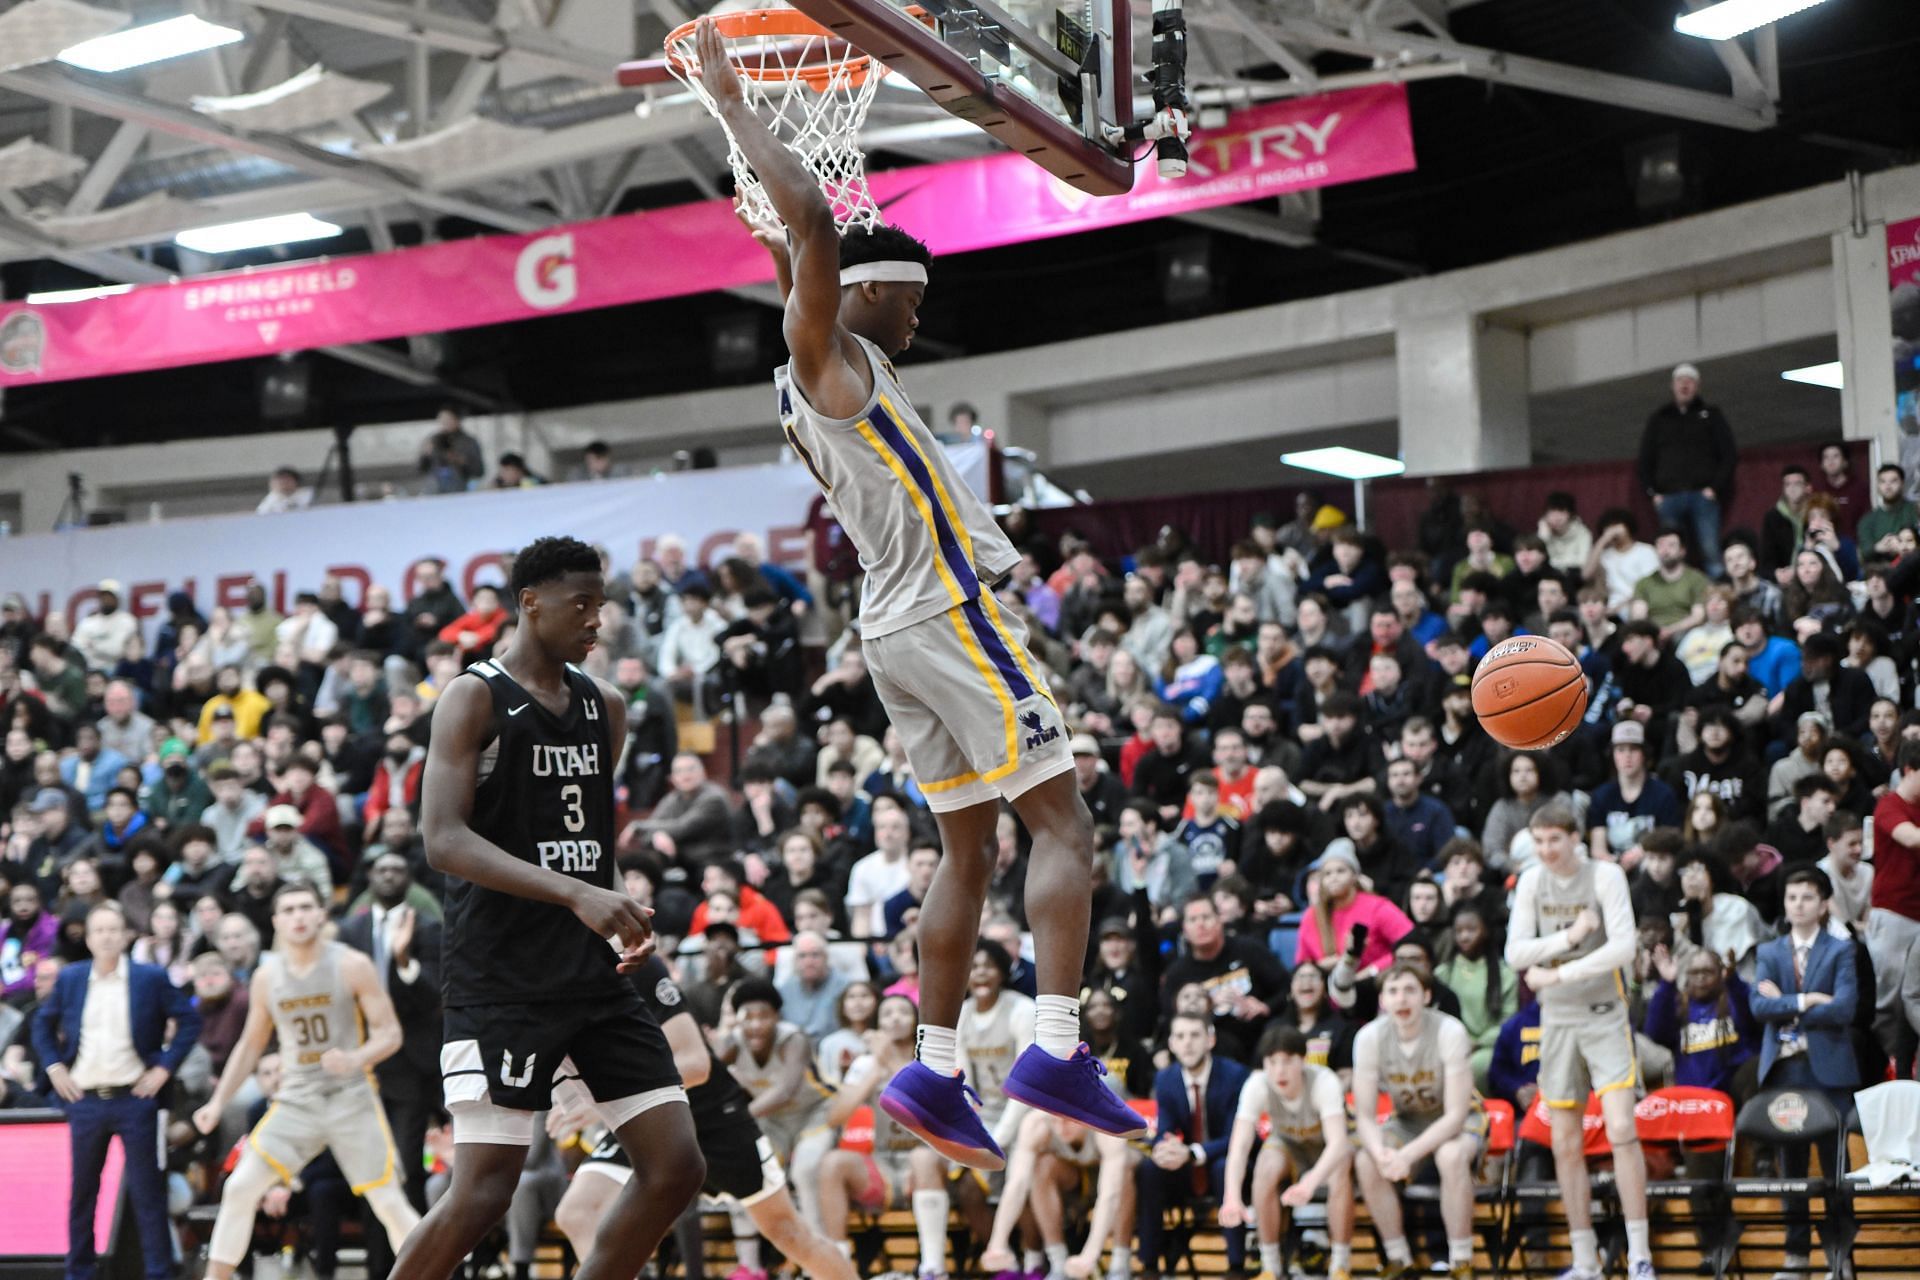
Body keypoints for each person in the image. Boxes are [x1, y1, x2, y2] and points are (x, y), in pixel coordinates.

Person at [706, 23, 1139, 1170]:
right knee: (1067, 823)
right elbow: (810, 231)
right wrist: (737, 103)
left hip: (897, 629)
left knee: (969, 853)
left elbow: (798, 249)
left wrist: (776, 222)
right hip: (949, 614)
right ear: (877, 294)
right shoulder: (831, 356)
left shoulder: (830, 361)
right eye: (912, 302)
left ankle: (937, 1068)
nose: (919, 321)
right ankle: (1054, 1044)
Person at [391, 536, 703, 1280]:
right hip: (501, 975)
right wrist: (577, 892)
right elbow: (441, 840)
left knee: (676, 1168)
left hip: (593, 974)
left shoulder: (609, 707)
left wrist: (616, 905)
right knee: (482, 1194)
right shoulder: (474, 696)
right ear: (531, 603)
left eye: (603, 604)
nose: (598, 620)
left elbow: (587, 840)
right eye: (582, 604)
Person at [553, 953, 855, 1280]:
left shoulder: (635, 967)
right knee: (578, 1212)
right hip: (640, 1115)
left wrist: (600, 1095)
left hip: (709, 1118)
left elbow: (696, 1064)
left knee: (787, 1232)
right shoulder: (548, 980)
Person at [189, 882, 420, 1280]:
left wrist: (355, 1058)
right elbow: (249, 1045)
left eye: (305, 907)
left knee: (387, 1200)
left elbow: (391, 1035)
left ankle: (438, 1272)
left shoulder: (351, 964)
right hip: (296, 1100)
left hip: (350, 1097)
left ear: (320, 914)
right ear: (276, 921)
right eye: (289, 909)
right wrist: (217, 1102)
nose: (298, 916)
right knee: (240, 1187)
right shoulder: (267, 976)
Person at [1504, 803, 1654, 1280]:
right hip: (1558, 1021)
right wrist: (1570, 936)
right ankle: (1585, 1259)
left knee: (1621, 1131)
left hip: (1606, 1015)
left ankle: (1640, 1256)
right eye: (1539, 841)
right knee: (1564, 1143)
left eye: (1554, 840)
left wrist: (1559, 972)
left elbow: (1624, 948)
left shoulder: (1606, 876)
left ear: (1575, 839)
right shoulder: (1531, 881)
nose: (1546, 850)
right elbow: (1515, 954)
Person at [32, 901, 201, 1280]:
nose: (107, 937)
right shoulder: (72, 978)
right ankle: (79, 1272)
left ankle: (158, 1273)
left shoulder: (149, 978)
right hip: (85, 1101)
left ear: (126, 935)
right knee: (82, 1194)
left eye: (114, 929)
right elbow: (41, 1024)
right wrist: (55, 1067)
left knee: (148, 1194)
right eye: (99, 931)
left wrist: (164, 1068)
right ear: (88, 939)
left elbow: (189, 1020)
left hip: (136, 1100)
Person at [1749, 866, 1858, 1280]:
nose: (1798, 904)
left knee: (1835, 1171)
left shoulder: (1841, 949)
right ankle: (1795, 1257)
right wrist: (1810, 999)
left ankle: (1839, 1255)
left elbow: (1845, 1008)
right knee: (1790, 1171)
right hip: (1783, 1071)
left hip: (1828, 1072)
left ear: (1824, 903)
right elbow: (1760, 1009)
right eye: (1792, 897)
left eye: (1807, 897)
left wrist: (1788, 1004)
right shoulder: (1770, 952)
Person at [1350, 964, 1483, 1280]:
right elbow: (1365, 1116)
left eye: (1410, 990)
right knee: (1366, 1161)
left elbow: (1455, 1116)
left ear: (1426, 995)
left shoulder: (1449, 1031)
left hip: (1460, 1121)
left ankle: (1461, 1261)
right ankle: (1399, 1259)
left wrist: (1407, 1156)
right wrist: (1383, 1153)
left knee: (1450, 1156)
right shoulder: (1369, 1037)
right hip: (1407, 1121)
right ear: (1382, 1000)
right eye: (1393, 992)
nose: (1402, 999)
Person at [1219, 1025, 1356, 1280]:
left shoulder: (1324, 1081)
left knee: (1340, 1165)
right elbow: (1239, 1146)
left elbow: (1338, 1142)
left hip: (1326, 1148)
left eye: (1287, 1061)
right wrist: (1232, 1196)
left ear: (1302, 1060)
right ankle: (1270, 1266)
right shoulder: (1256, 1085)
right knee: (1265, 1165)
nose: (1279, 1070)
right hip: (1290, 1144)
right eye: (1272, 1062)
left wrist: (1310, 1182)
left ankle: (1340, 1265)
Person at [1135, 1012, 1251, 1278]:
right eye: (1180, 1037)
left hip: (1229, 1162)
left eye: (1195, 1035)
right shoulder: (1165, 1078)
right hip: (1187, 1166)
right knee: (1150, 1168)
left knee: (1224, 1167)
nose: (1187, 1043)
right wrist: (1166, 1149)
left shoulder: (1235, 1075)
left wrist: (1192, 1152)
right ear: (1172, 1044)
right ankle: (1149, 1265)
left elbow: (1239, 1137)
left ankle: (1236, 1265)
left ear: (1210, 1040)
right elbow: (1165, 1130)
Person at [1637, 363, 1735, 572]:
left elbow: (1729, 454)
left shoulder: (1711, 414)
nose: (1685, 385)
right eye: (1680, 381)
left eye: (1689, 381)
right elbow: (1645, 458)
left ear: (1697, 386)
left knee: (1710, 550)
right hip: (1668, 496)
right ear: (1672, 385)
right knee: (1671, 552)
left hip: (1703, 495)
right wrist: (1652, 493)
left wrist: (1715, 488)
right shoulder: (1659, 418)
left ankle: (1718, 597)